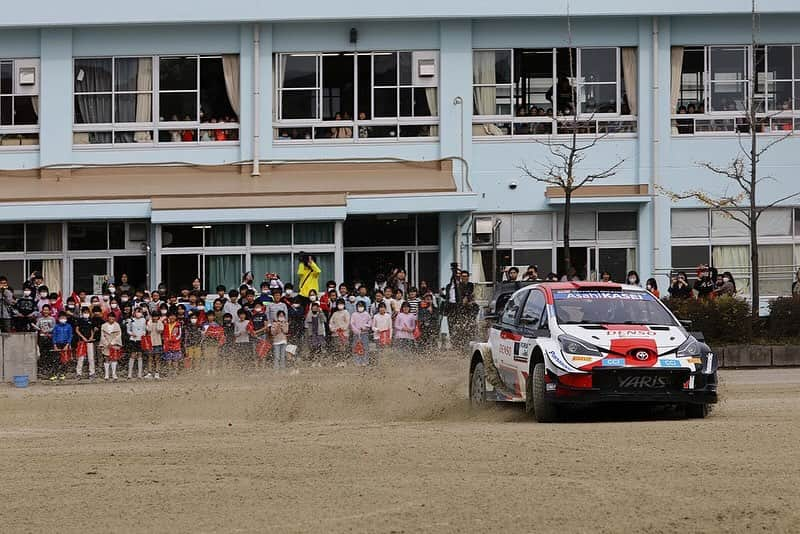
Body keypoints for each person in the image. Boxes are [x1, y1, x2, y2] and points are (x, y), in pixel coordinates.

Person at [34, 304, 56, 379]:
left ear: (50, 311)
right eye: (44, 310)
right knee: (43, 355)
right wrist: (41, 332)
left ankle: (50, 371)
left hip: (50, 338)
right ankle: (43, 371)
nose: (45, 311)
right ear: (42, 311)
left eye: (47, 310)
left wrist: (48, 331)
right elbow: (37, 328)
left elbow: (54, 327)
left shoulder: (52, 319)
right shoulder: (39, 319)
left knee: (50, 355)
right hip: (42, 339)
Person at [74, 306, 96, 380]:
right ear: (82, 313)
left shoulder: (91, 320)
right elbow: (77, 330)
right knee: (81, 358)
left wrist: (91, 337)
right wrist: (83, 337)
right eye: (84, 312)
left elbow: (92, 330)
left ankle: (92, 373)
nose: (86, 314)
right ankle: (78, 374)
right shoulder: (79, 320)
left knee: (91, 358)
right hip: (82, 341)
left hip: (89, 341)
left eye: (87, 312)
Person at [99, 313, 123, 380]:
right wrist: (107, 343)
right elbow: (102, 336)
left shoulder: (117, 325)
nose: (111, 320)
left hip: (114, 343)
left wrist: (112, 343)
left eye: (112, 318)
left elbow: (119, 335)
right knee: (106, 357)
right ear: (107, 318)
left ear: (114, 318)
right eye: (110, 318)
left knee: (114, 358)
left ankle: (114, 374)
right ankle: (106, 374)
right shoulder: (103, 325)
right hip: (106, 344)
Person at [52, 311, 73, 381]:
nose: (62, 319)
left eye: (64, 317)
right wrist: (54, 345)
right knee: (56, 359)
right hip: (57, 344)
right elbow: (54, 336)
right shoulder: (56, 326)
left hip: (65, 344)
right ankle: (54, 374)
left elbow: (70, 336)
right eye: (61, 317)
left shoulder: (69, 326)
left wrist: (67, 345)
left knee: (64, 360)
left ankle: (62, 374)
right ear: (58, 318)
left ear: (66, 318)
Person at [126, 307, 146, 379]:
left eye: (140, 312)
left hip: (140, 339)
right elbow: (128, 330)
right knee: (133, 355)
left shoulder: (143, 320)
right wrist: (132, 334)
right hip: (133, 339)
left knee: (140, 355)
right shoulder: (130, 320)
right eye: (137, 311)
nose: (138, 313)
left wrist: (143, 334)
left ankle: (139, 374)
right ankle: (129, 374)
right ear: (134, 312)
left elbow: (144, 329)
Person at [350, 301, 371, 366]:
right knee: (356, 347)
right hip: (356, 334)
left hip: (364, 333)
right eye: (359, 306)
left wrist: (364, 327)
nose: (360, 307)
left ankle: (365, 361)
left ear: (364, 307)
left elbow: (370, 323)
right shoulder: (354, 314)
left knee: (365, 347)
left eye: (361, 306)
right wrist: (356, 330)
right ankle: (357, 361)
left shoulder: (367, 314)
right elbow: (351, 324)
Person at [145, 310, 164, 379]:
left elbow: (160, 330)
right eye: (153, 316)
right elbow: (148, 330)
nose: (155, 318)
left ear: (158, 317)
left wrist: (157, 322)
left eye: (156, 316)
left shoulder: (160, 323)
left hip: (158, 343)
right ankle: (149, 373)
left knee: (157, 358)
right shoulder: (149, 322)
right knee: (150, 358)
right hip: (150, 343)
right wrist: (150, 322)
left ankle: (157, 373)